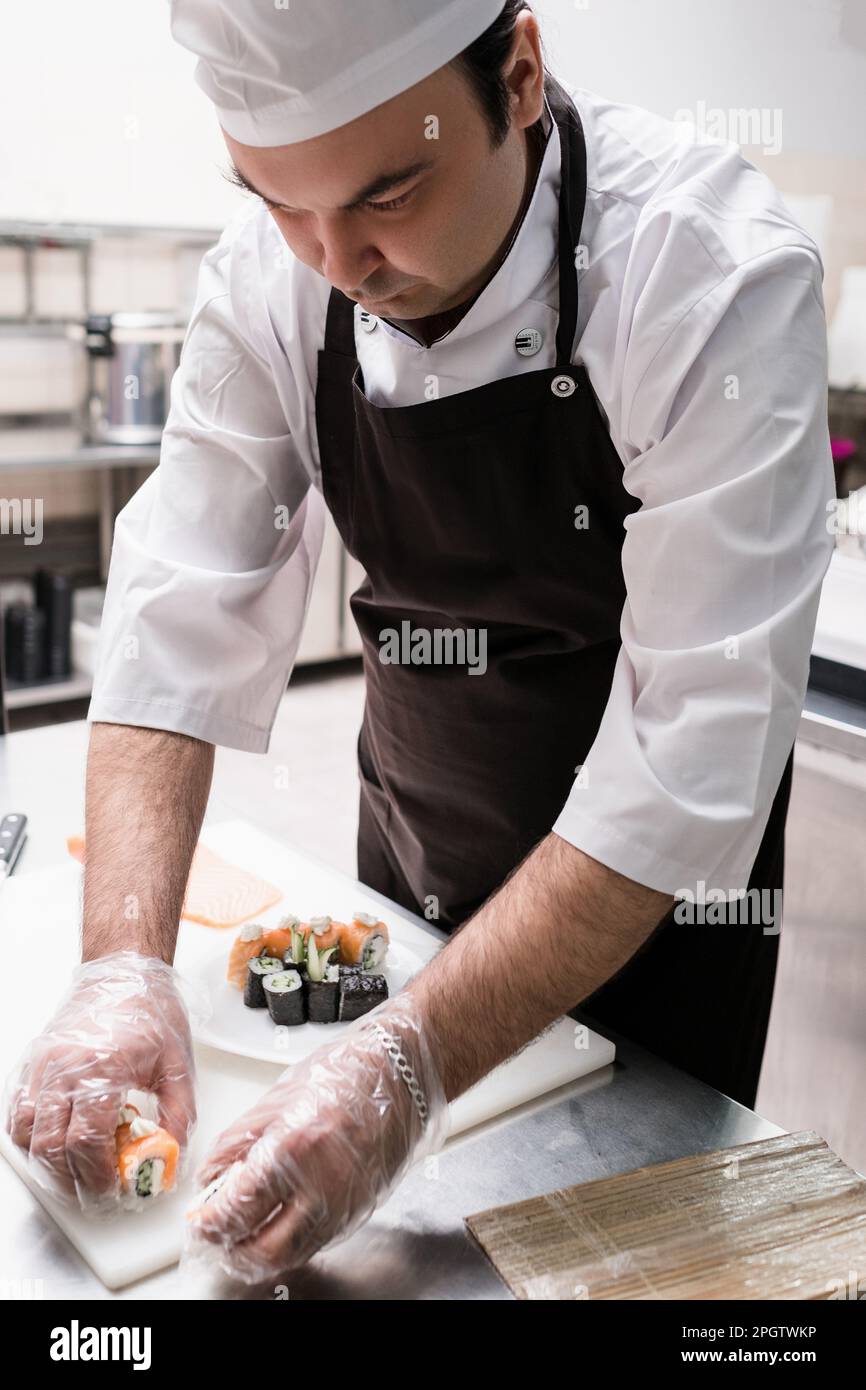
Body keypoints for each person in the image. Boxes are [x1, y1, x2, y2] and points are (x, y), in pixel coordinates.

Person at [7, 0, 834, 1281]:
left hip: (654, 924)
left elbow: (686, 759)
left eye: (389, 191)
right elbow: (177, 609)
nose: (336, 258)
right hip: (411, 855)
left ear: (515, 76)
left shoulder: (705, 272)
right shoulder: (270, 274)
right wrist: (122, 965)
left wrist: (408, 1061)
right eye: (278, 200)